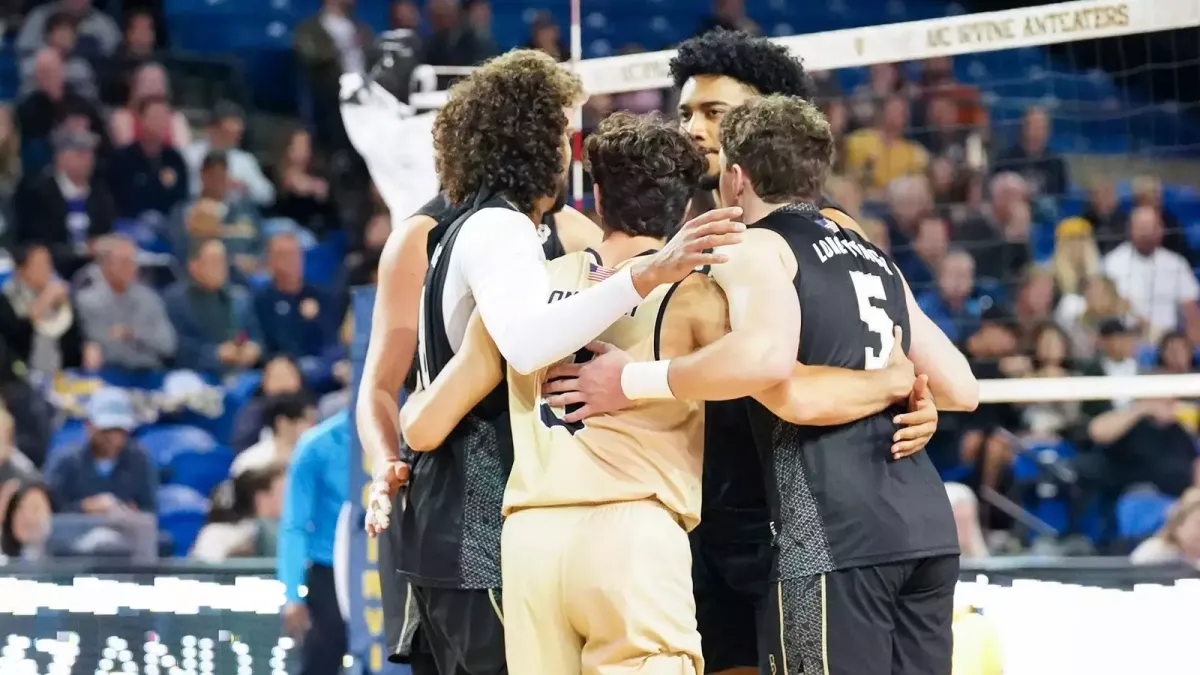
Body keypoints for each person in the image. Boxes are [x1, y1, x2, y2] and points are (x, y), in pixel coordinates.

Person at [392, 112, 939, 675]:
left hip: (530, 541)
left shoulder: (527, 298)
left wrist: (396, 453)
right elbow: (786, 386)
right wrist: (893, 387)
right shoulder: (696, 297)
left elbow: (422, 426)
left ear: (597, 198)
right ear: (684, 210)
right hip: (633, 537)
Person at [356, 49, 744, 675]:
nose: (568, 148)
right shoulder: (510, 236)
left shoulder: (516, 251)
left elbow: (420, 419)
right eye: (564, 132)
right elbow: (524, 344)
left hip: (492, 531)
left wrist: (401, 443)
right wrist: (644, 282)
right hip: (515, 523)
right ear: (538, 140)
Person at [560, 96, 978, 675]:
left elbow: (767, 366)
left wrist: (631, 379)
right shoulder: (871, 252)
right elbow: (961, 386)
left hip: (834, 533)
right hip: (924, 528)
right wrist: (893, 382)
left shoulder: (755, 244)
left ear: (735, 178)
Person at [278, 411, 350, 675]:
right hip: (329, 573)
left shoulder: (410, 436)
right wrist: (292, 594)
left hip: (393, 570)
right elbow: (294, 525)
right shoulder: (317, 445)